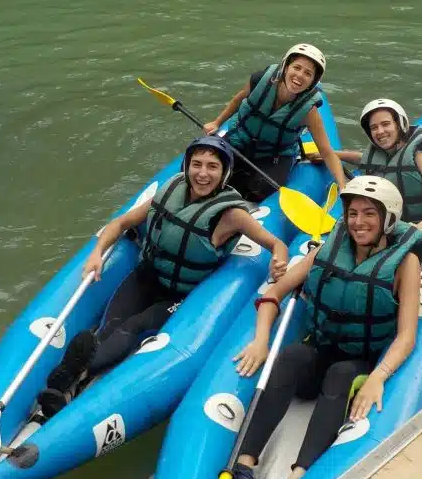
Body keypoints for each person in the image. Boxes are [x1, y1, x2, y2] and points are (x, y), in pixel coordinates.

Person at [225, 176, 422, 479]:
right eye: (352, 213)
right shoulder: (329, 248)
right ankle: (243, 469)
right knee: (290, 356)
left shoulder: (405, 263)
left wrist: (379, 377)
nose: (358, 222)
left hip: (358, 364)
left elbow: (407, 335)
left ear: (388, 220)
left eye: (368, 214)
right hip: (320, 351)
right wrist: (260, 340)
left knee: (340, 374)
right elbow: (275, 292)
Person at [36, 136, 290, 418]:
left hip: (179, 294)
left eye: (212, 167)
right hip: (147, 276)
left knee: (133, 327)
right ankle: (72, 379)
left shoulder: (232, 215)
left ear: (224, 173)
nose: (203, 173)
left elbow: (275, 244)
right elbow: (122, 222)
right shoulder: (171, 190)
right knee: (111, 325)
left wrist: (279, 261)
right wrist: (97, 253)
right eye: (196, 164)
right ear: (186, 166)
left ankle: (74, 375)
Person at [203, 43, 347, 203]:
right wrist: (217, 122)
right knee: (206, 167)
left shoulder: (309, 112)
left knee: (260, 189)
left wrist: (343, 186)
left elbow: (326, 152)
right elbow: (238, 99)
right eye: (297, 67)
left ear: (313, 81)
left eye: (308, 73)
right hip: (240, 141)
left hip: (274, 156)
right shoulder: (260, 80)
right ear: (285, 67)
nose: (300, 75)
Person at [317, 98, 422, 235]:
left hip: (415, 225)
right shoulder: (377, 153)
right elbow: (363, 159)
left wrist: (421, 227)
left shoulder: (419, 156)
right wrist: (329, 154)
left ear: (399, 125)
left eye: (385, 124)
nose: (380, 131)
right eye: (374, 127)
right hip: (383, 225)